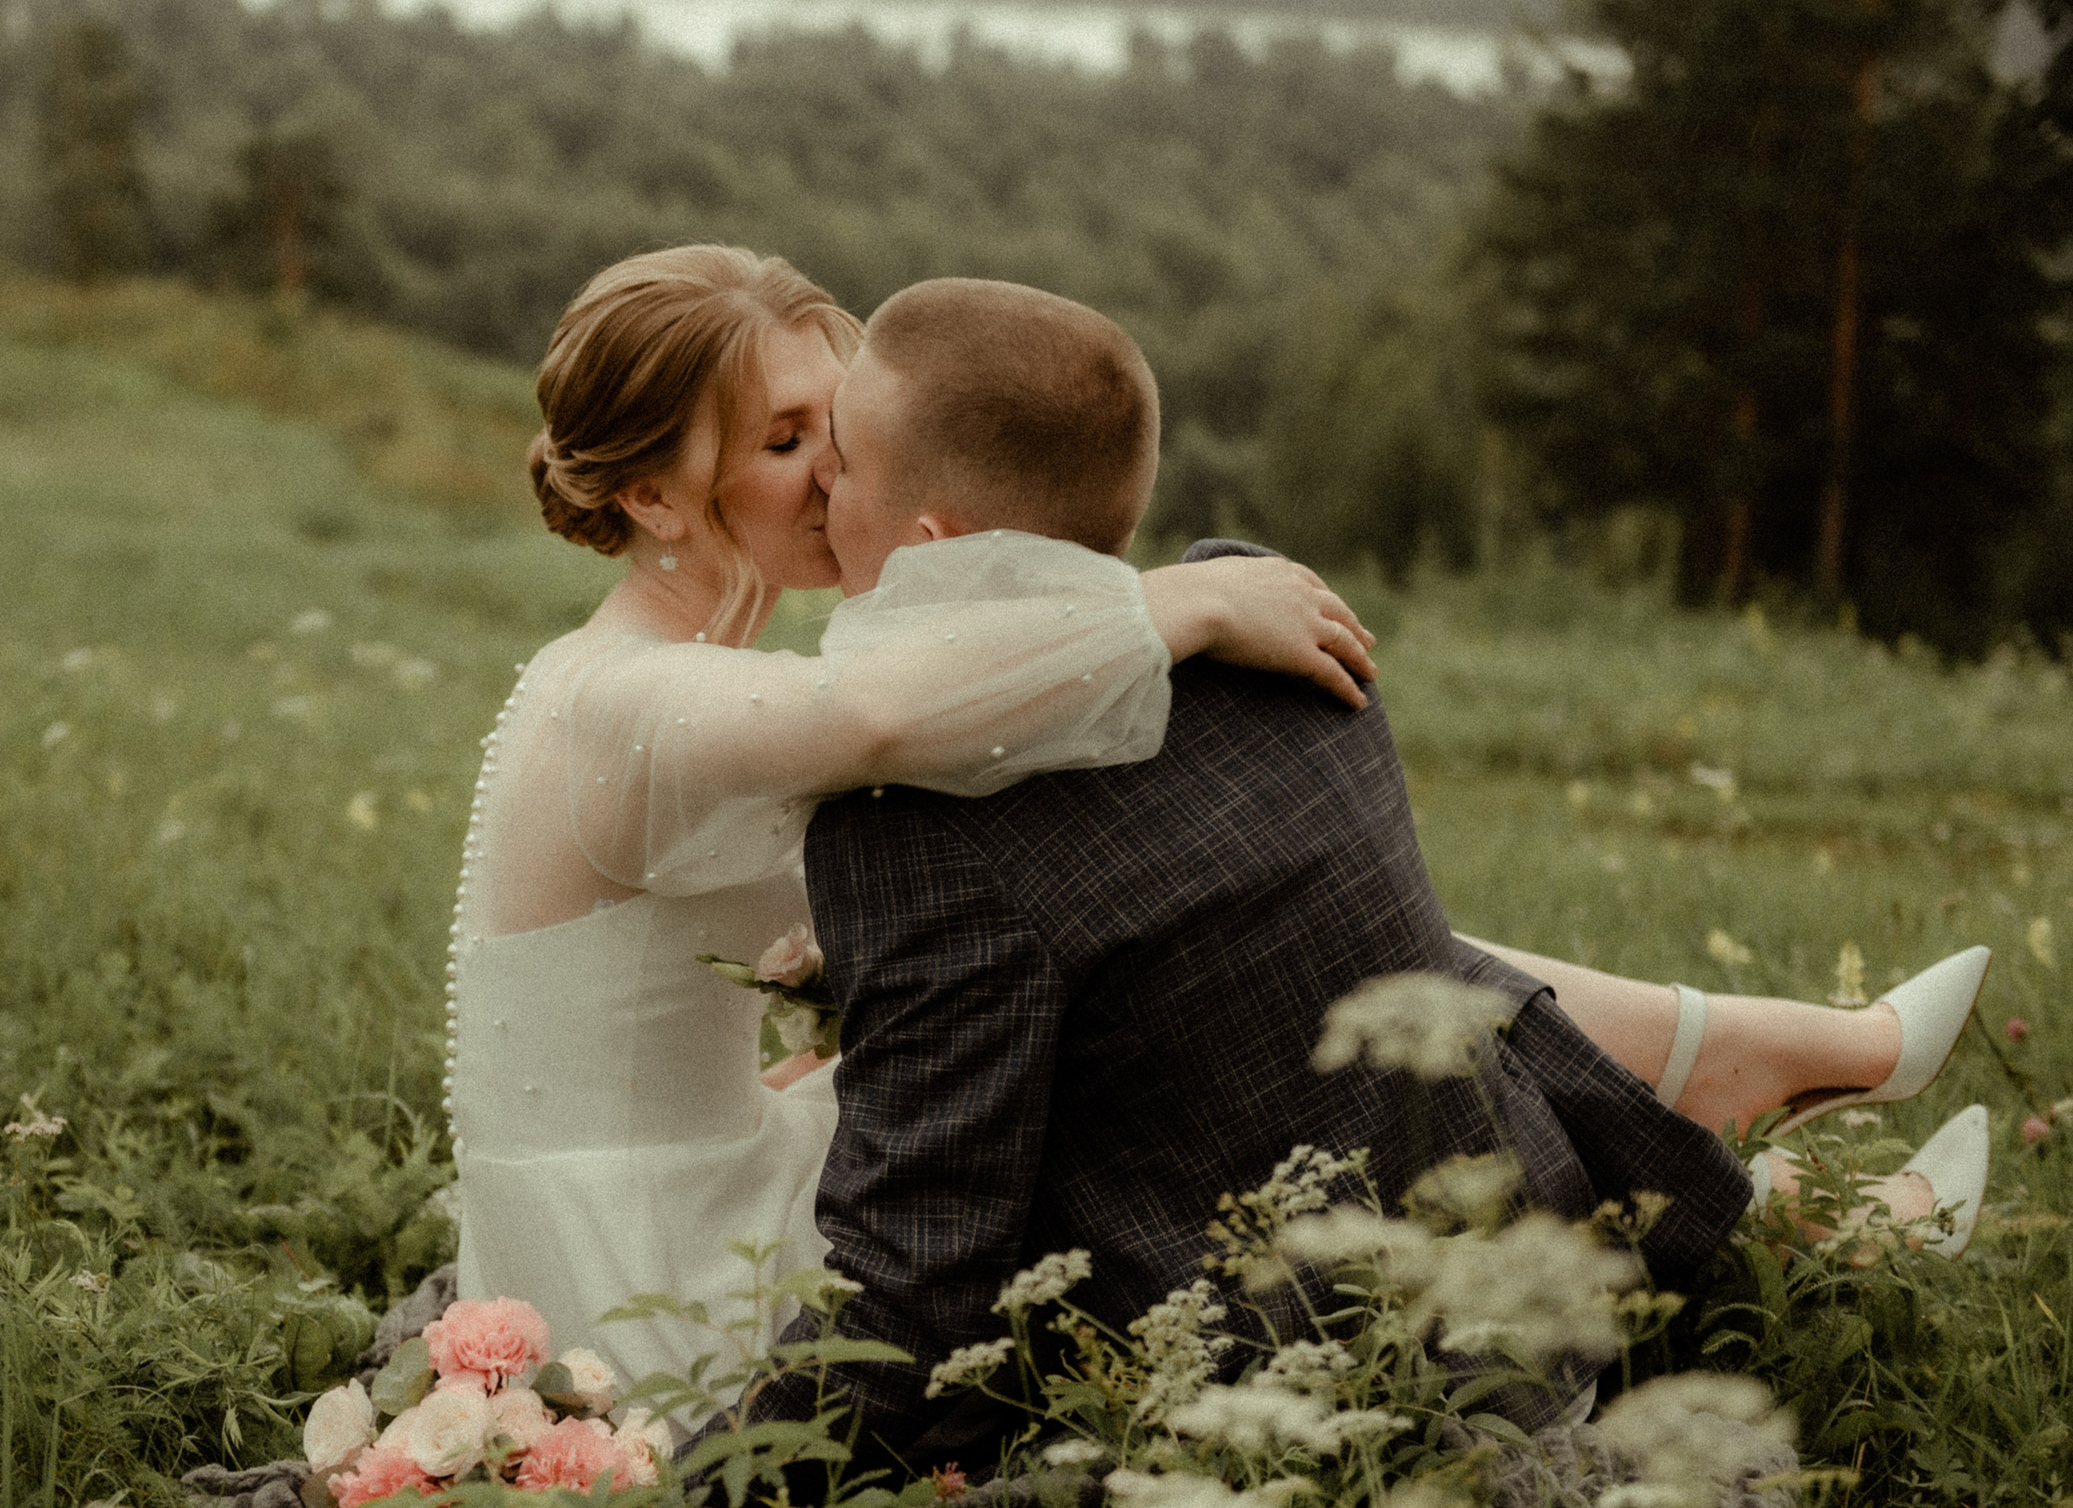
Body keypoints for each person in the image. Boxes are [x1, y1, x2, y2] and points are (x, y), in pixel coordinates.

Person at [448, 245, 1984, 1406]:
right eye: (790, 440)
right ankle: (1742, 1114)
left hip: (726, 1159)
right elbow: (873, 722)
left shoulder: (710, 679)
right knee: (1204, 1014)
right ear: (654, 495)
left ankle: (1750, 1116)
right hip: (658, 1266)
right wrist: (1175, 596)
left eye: (833, 428)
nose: (833, 469)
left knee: (1208, 945)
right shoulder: (619, 699)